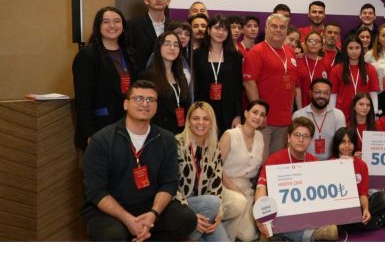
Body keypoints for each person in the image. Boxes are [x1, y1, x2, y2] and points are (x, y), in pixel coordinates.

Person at [80, 80, 197, 241]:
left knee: (186, 219)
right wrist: (128, 220)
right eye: (138, 98)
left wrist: (153, 214)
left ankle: (145, 233)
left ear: (156, 107)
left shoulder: (167, 139)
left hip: (149, 206)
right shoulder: (101, 140)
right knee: (113, 235)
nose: (145, 104)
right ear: (126, 104)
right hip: (111, 210)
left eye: (151, 100)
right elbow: (96, 191)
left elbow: (169, 183)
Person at [254, 117, 338, 241]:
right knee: (278, 221)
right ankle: (311, 235)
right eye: (297, 135)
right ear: (289, 138)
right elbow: (261, 188)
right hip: (280, 214)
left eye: (306, 136)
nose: (301, 139)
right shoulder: (275, 159)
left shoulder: (314, 162)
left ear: (310, 140)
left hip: (305, 214)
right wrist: (261, 216)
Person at [72, 6, 138, 150]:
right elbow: (83, 99)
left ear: (123, 26)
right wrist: (90, 133)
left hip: (129, 124)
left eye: (117, 21)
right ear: (98, 26)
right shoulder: (88, 55)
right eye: (106, 22)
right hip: (101, 126)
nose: (112, 25)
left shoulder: (129, 52)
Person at [243, 13, 300, 156]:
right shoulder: (257, 51)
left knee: (277, 163)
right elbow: (249, 83)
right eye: (274, 26)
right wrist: (259, 114)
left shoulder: (290, 51)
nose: (278, 30)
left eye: (282, 27)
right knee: (260, 162)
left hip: (285, 120)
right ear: (266, 29)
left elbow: (292, 84)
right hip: (264, 121)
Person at [173, 102, 232, 241]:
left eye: (206, 119)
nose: (201, 123)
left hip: (205, 209)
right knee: (212, 202)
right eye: (196, 118)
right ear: (188, 121)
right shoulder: (176, 144)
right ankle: (187, 238)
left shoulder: (214, 148)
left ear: (211, 123)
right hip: (180, 205)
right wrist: (191, 218)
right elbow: (170, 186)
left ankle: (191, 236)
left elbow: (216, 187)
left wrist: (218, 213)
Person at [332, 127, 385, 231]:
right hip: (340, 208)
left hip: (358, 204)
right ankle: (380, 220)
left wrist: (366, 209)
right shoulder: (330, 163)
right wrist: (341, 166)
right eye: (343, 142)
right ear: (337, 144)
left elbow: (363, 194)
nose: (347, 146)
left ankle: (357, 220)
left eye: (350, 142)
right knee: (338, 220)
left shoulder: (362, 165)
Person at [219, 99, 267, 241]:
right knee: (239, 202)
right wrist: (234, 188)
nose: (258, 117)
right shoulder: (230, 135)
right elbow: (216, 168)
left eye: (262, 115)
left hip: (246, 188)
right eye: (255, 112)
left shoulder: (260, 137)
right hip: (224, 185)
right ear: (246, 113)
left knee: (249, 236)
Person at [192, 15, 243, 135]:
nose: (221, 32)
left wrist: (238, 115)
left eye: (225, 29)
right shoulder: (197, 55)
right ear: (209, 30)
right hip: (203, 109)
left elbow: (238, 88)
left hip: (228, 111)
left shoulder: (235, 56)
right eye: (217, 28)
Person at [138, 31, 192, 135]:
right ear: (158, 48)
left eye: (176, 45)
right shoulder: (147, 77)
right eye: (167, 44)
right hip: (158, 133)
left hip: (181, 133)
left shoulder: (181, 76)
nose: (172, 48)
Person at [329, 35, 379, 124]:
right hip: (342, 113)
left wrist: (375, 114)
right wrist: (331, 113)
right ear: (345, 49)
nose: (354, 51)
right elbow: (333, 95)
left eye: (357, 48)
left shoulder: (370, 69)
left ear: (361, 49)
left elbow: (373, 94)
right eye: (351, 48)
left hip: (364, 114)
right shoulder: (336, 69)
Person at [293, 77, 346, 161]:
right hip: (305, 162)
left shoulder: (338, 115)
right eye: (318, 92)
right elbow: (294, 144)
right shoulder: (299, 115)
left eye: (326, 93)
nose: (322, 96)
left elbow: (343, 143)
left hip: (331, 163)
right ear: (310, 93)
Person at [127, 0, 170, 71]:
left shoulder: (173, 26)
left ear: (168, 1)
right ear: (146, 0)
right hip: (142, 76)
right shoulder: (132, 26)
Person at [295, 30, 331, 109]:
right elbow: (295, 87)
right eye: (310, 40)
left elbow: (329, 88)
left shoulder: (326, 63)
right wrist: (300, 110)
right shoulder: (297, 60)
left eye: (317, 41)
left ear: (321, 46)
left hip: (320, 106)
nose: (313, 43)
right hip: (300, 105)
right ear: (305, 44)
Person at [164, 20, 193, 87]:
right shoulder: (157, 56)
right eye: (178, 33)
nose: (183, 36)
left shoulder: (185, 57)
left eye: (187, 34)